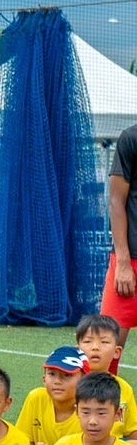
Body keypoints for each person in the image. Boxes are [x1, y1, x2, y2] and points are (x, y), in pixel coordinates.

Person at [13, 346, 86, 445]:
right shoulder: (36, 398)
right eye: (52, 374)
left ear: (84, 380)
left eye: (67, 375)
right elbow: (26, 444)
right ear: (43, 378)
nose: (57, 381)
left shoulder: (90, 412)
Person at [101, 122, 137, 346]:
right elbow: (116, 201)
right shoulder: (131, 138)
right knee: (105, 347)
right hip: (130, 261)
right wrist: (123, 263)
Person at [75, 313, 137, 437]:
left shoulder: (123, 388)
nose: (95, 347)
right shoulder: (69, 384)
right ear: (77, 350)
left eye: (104, 342)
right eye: (88, 341)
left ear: (116, 352)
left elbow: (132, 431)